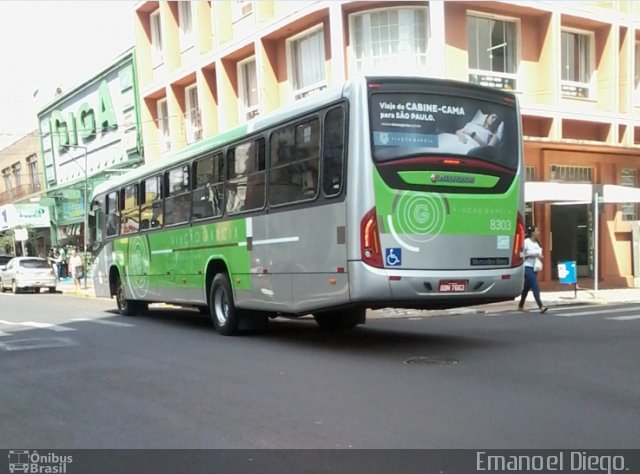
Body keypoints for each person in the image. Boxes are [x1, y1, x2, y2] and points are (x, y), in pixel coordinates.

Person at [518, 226, 548, 313]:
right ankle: (541, 306)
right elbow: (520, 255)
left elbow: (541, 255)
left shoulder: (537, 244)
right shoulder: (526, 242)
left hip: (535, 267)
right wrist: (532, 254)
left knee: (527, 287)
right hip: (527, 267)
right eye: (536, 231)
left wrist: (539, 256)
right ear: (532, 233)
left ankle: (520, 305)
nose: (538, 232)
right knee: (535, 286)